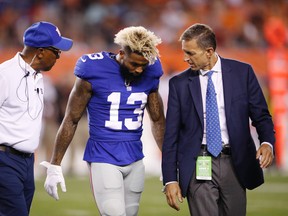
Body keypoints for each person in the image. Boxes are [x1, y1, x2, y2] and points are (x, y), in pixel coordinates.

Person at [41, 26, 165, 216]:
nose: (140, 69)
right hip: (103, 155)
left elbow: (157, 120)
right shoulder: (93, 68)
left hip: (135, 155)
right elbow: (71, 118)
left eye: (144, 65)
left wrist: (168, 159)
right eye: (134, 64)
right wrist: (55, 164)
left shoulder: (152, 70)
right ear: (122, 54)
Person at [161, 23, 275, 216]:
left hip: (235, 162)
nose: (185, 58)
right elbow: (171, 136)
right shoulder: (178, 84)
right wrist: (170, 179)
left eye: (190, 53)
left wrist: (266, 142)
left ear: (209, 51)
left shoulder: (242, 73)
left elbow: (261, 115)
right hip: (198, 162)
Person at [0, 21, 73, 216]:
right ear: (41, 51)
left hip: (27, 162)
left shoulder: (38, 77)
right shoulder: (4, 75)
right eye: (56, 51)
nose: (59, 56)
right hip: (4, 159)